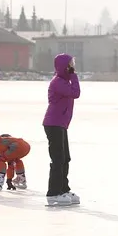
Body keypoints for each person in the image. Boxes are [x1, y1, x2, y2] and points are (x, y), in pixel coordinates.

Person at [43, 53, 81, 207]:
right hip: (54, 124)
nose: (73, 66)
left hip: (60, 124)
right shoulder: (58, 82)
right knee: (58, 159)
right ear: (64, 66)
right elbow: (75, 93)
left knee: (65, 158)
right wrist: (75, 76)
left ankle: (63, 189)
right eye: (71, 63)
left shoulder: (64, 81)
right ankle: (53, 193)